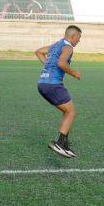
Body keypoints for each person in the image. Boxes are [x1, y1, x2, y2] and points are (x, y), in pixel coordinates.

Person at [35, 25, 83, 159]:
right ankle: (58, 143)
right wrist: (75, 73)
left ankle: (64, 144)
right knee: (71, 112)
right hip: (53, 85)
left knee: (67, 111)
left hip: (42, 84)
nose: (79, 41)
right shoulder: (68, 47)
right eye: (79, 38)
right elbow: (62, 64)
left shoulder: (56, 45)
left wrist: (48, 67)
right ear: (73, 36)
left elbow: (38, 51)